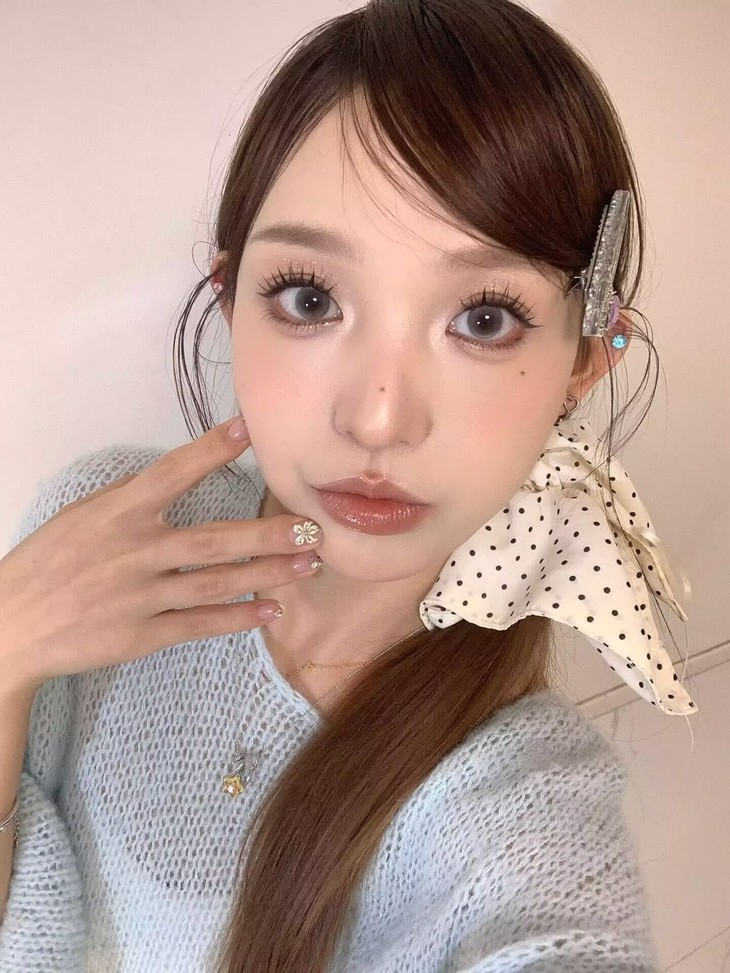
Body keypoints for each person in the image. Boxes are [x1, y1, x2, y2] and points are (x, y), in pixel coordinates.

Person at [0, 0, 696, 970]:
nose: (377, 418)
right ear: (230, 298)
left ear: (583, 360)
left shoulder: (520, 800)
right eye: (311, 297)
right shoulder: (109, 531)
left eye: (484, 318)